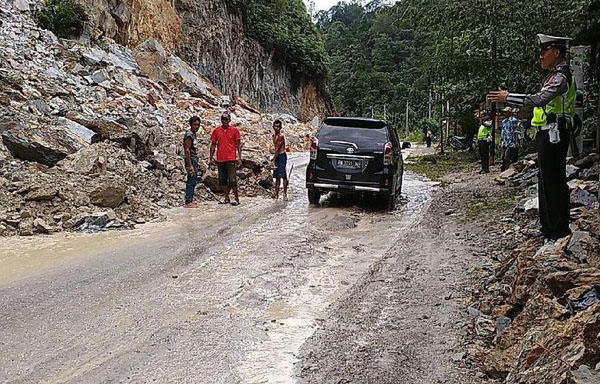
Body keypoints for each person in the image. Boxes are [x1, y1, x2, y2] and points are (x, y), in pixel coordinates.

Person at [488, 34, 576, 241]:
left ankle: (559, 230)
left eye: (544, 51)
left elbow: (538, 99)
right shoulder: (552, 76)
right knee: (545, 180)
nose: (541, 56)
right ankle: (547, 227)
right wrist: (514, 113)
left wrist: (508, 97)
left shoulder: (561, 77)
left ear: (556, 52)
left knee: (554, 180)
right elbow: (537, 107)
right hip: (546, 131)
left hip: (555, 132)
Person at [209, 111, 242, 206]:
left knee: (232, 179)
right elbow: (213, 145)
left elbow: (238, 145)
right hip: (220, 158)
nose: (224, 121)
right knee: (222, 180)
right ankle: (227, 198)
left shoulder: (235, 130)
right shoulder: (216, 131)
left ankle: (236, 198)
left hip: (231, 158)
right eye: (222, 119)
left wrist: (239, 158)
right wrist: (210, 158)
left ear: (229, 120)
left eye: (226, 119)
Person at [183, 116, 201, 208]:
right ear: (191, 124)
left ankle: (190, 200)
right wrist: (190, 165)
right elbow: (187, 150)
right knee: (191, 179)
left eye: (198, 125)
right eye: (195, 125)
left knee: (193, 180)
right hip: (191, 159)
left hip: (194, 158)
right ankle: (188, 201)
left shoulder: (193, 134)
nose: (196, 127)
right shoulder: (189, 135)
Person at [271, 119, 289, 200]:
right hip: (277, 156)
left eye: (278, 126)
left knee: (283, 175)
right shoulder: (273, 136)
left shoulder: (280, 137)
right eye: (275, 126)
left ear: (280, 127)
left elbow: (278, 149)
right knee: (277, 176)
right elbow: (275, 149)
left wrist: (273, 159)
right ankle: (276, 193)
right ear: (273, 127)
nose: (276, 128)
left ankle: (285, 194)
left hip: (281, 156)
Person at [500, 106, 520, 171]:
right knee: (503, 156)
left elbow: (516, 131)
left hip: (511, 141)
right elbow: (503, 131)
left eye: (506, 112)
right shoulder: (503, 121)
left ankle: (508, 169)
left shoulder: (514, 120)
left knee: (507, 156)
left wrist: (517, 141)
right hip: (505, 141)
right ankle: (506, 168)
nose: (505, 113)